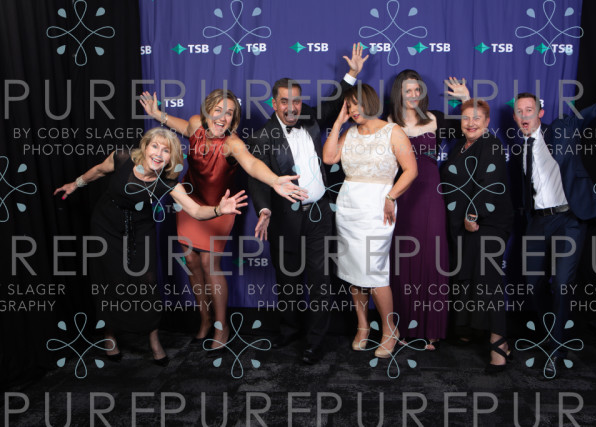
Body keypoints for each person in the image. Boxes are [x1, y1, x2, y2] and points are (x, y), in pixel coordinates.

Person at [54, 128, 248, 364]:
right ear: (145, 147)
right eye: (155, 146)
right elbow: (98, 171)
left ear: (170, 158)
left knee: (147, 282)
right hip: (106, 225)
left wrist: (218, 209)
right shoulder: (122, 158)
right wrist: (75, 184)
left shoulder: (167, 182)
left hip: (140, 228)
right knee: (108, 280)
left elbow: (196, 210)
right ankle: (109, 336)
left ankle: (153, 339)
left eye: (166, 150)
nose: (158, 153)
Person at [139, 89, 307, 349]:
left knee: (210, 264)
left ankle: (221, 325)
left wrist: (275, 181)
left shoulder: (232, 143)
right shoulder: (196, 124)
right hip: (190, 201)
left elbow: (251, 164)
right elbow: (182, 126)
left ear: (234, 119)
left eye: (229, 113)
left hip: (221, 206)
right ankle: (204, 319)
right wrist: (157, 113)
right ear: (207, 112)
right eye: (217, 110)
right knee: (191, 261)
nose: (222, 117)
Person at [511, 49, 596, 378]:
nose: (524, 115)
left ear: (540, 112)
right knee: (532, 285)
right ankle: (550, 333)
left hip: (570, 219)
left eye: (529, 110)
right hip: (539, 222)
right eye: (519, 112)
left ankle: (555, 349)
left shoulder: (564, 128)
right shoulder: (518, 150)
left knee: (562, 284)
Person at [248, 43, 368, 364]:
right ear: (274, 103)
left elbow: (333, 103)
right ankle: (289, 330)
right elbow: (257, 178)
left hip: (318, 214)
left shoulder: (311, 119)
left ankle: (315, 341)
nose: (292, 107)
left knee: (319, 280)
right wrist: (264, 209)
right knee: (287, 280)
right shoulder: (262, 137)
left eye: (296, 101)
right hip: (284, 218)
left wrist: (351, 74)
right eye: (285, 101)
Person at [323, 83, 418, 358]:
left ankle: (390, 330)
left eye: (357, 104)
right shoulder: (349, 132)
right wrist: (338, 123)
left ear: (371, 102)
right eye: (349, 105)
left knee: (374, 272)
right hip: (348, 208)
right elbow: (329, 158)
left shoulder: (393, 131)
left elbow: (411, 170)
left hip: (377, 208)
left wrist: (391, 196)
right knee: (354, 272)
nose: (353, 110)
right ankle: (363, 326)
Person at [387, 70, 470, 350]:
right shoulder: (389, 122)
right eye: (408, 90)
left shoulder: (435, 118)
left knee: (432, 255)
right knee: (403, 258)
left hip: (431, 194)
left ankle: (431, 328)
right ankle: (401, 328)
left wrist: (466, 99)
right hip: (402, 194)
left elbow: (471, 128)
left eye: (417, 90)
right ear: (399, 93)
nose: (413, 95)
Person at [439, 99, 513, 373]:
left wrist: (473, 214)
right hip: (462, 225)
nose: (471, 123)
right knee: (468, 278)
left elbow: (490, 183)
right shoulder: (460, 146)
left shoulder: (491, 145)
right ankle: (469, 329)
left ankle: (499, 345)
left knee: (487, 282)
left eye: (477, 119)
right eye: (466, 118)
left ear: (487, 122)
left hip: (487, 223)